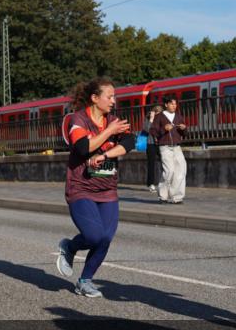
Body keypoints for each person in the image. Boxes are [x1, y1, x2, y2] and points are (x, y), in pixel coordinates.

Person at [55, 77, 136, 298]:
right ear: (94, 98)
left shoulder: (113, 120)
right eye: (109, 97)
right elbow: (83, 148)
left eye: (114, 96)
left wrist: (105, 155)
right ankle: (70, 247)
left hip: (107, 189)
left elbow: (129, 142)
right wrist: (109, 131)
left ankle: (85, 281)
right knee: (93, 236)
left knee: (105, 238)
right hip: (81, 187)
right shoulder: (78, 119)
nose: (113, 101)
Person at [151, 96, 187, 204]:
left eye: (175, 104)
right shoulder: (159, 117)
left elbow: (184, 133)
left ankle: (177, 197)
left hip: (177, 146)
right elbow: (153, 131)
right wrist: (164, 129)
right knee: (169, 171)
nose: (174, 106)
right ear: (166, 104)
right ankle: (163, 196)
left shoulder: (178, 116)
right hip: (165, 147)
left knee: (181, 171)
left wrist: (184, 129)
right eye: (172, 104)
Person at [143, 105, 163, 192]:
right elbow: (147, 130)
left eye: (160, 113)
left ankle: (165, 182)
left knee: (165, 163)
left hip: (161, 143)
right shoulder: (148, 119)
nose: (158, 116)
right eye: (156, 113)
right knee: (151, 164)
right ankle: (151, 184)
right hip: (150, 143)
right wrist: (151, 119)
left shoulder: (162, 120)